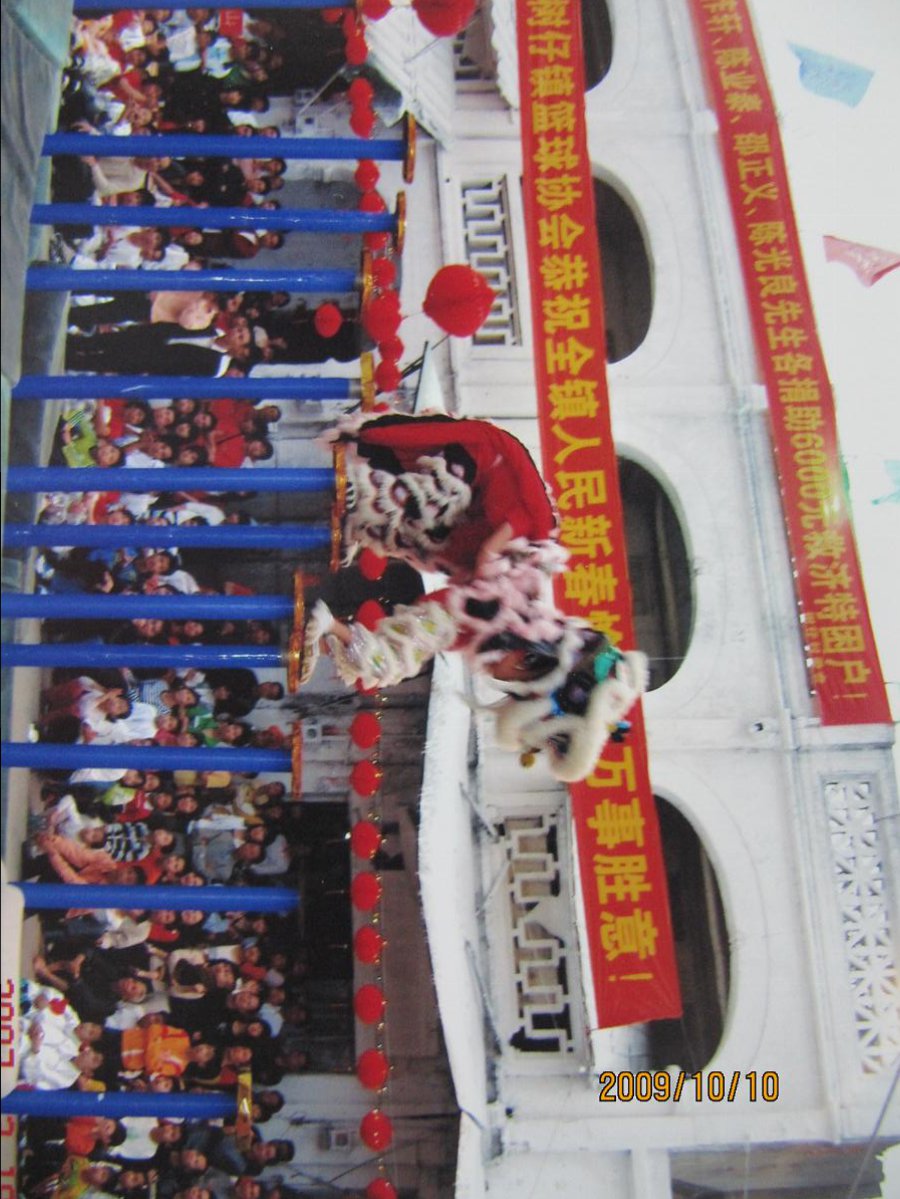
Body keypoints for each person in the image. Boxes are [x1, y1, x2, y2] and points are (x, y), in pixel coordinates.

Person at [328, 410, 558, 578]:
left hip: (475, 486)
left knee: (432, 537)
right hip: (482, 453)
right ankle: (362, 490)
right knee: (430, 502)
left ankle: (361, 526)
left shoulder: (520, 542)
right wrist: (483, 577)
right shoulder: (535, 526)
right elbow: (487, 552)